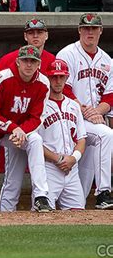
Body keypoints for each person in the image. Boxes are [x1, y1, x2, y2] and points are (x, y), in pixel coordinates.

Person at [0, 17, 55, 210]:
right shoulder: (4, 77)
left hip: (20, 131)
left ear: (39, 64)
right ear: (18, 62)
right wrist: (14, 128)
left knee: (35, 142)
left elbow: (37, 117)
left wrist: (21, 131)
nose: (29, 65)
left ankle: (41, 196)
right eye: (25, 61)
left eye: (33, 61)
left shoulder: (44, 83)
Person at [56, 13, 113, 210]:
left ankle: (78, 208)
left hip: (92, 120)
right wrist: (85, 110)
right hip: (69, 117)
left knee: (88, 168)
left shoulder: (107, 60)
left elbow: (110, 96)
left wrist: (97, 112)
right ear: (80, 30)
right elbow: (63, 87)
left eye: (94, 28)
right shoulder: (67, 54)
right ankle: (104, 191)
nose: (90, 31)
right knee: (106, 134)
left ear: (100, 31)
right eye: (86, 28)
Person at [38, 59, 87, 210]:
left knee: (79, 214)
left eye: (61, 77)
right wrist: (58, 159)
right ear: (48, 78)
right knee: (44, 216)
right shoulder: (39, 105)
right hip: (49, 168)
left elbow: (81, 138)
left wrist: (73, 159)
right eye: (54, 77)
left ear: (67, 78)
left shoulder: (73, 106)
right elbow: (34, 143)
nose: (58, 81)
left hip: (72, 169)